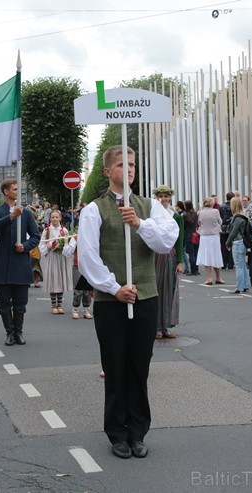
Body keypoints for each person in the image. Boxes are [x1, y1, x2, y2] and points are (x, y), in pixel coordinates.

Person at [78, 145, 178, 460]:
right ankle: (117, 433)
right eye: (122, 165)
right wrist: (114, 287)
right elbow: (87, 257)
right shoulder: (94, 209)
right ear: (108, 171)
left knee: (139, 366)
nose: (129, 169)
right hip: (111, 301)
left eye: (132, 164)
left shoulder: (151, 207)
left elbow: (165, 242)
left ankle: (138, 431)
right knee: (115, 367)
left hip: (146, 297)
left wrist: (138, 224)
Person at [0, 179, 41, 346]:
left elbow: (35, 236)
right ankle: (9, 333)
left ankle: (18, 332)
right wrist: (11, 216)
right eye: (14, 189)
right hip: (2, 264)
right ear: (6, 191)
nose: (18, 192)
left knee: (20, 303)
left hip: (20, 264)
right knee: (4, 303)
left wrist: (25, 246)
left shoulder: (26, 213)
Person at [153, 185, 184, 339]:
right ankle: (156, 327)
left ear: (170, 197)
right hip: (156, 254)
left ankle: (166, 326)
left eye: (166, 196)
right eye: (161, 196)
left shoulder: (176, 216)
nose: (163, 199)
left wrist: (180, 261)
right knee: (156, 289)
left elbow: (180, 240)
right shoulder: (153, 214)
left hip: (170, 254)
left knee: (169, 290)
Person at [39, 210, 73, 314]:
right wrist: (47, 246)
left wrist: (64, 246)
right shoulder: (47, 231)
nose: (54, 219)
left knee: (61, 279)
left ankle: (60, 305)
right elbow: (41, 245)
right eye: (52, 217)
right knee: (53, 280)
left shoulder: (64, 231)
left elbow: (70, 244)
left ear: (60, 218)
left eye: (56, 217)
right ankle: (53, 305)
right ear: (50, 218)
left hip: (61, 257)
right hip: (52, 256)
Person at [63, 233, 92, 320]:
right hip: (77, 266)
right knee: (78, 289)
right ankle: (75, 309)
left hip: (89, 266)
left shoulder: (92, 237)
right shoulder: (75, 238)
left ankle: (86, 309)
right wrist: (65, 242)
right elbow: (67, 253)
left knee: (87, 289)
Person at [225, 197, 251, 293]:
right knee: (243, 264)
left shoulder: (237, 218)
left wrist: (227, 243)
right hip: (243, 242)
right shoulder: (243, 216)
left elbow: (233, 232)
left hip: (237, 242)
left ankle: (239, 287)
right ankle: (245, 285)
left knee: (239, 265)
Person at [196, 197, 224, 285]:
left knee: (206, 256)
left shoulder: (200, 212)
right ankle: (218, 277)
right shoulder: (216, 211)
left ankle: (209, 278)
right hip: (214, 235)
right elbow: (220, 221)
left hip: (204, 236)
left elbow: (199, 223)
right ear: (212, 203)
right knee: (216, 255)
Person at [183, 200, 199, 276]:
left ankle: (193, 270)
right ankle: (196, 269)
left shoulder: (185, 215)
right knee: (195, 253)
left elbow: (184, 226)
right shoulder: (195, 214)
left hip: (188, 236)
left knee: (191, 254)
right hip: (195, 235)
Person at [219, 192, 234, 270]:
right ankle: (231, 263)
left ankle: (224, 264)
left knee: (223, 246)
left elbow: (220, 217)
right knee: (231, 245)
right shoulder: (234, 206)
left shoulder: (221, 206)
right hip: (232, 228)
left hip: (223, 228)